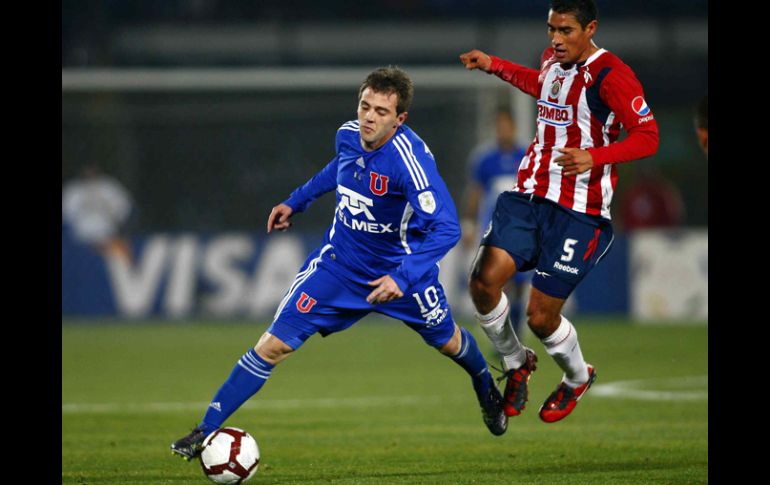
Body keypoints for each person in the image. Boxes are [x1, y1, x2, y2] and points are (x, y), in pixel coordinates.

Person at [171, 66, 509, 460]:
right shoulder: (348, 135)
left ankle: (483, 381)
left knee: (449, 342)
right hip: (338, 268)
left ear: (400, 119)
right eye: (365, 106)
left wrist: (402, 277)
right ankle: (206, 430)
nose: (369, 116)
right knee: (272, 345)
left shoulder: (409, 162)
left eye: (381, 111)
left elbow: (447, 229)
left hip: (398, 272)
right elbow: (339, 169)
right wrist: (296, 201)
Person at [458, 0, 659, 423]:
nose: (555, 39)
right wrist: (494, 64)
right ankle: (515, 363)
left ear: (590, 29)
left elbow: (648, 136)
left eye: (565, 30)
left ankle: (576, 376)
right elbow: (541, 84)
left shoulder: (612, 75)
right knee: (482, 282)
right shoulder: (553, 59)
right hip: (530, 193)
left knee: (540, 316)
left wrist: (596, 156)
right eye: (551, 29)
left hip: (580, 212)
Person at [461, 109, 529, 335]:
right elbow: (475, 193)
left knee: (519, 284)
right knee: (499, 283)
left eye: (506, 126)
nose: (503, 131)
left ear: (514, 128)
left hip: (522, 231)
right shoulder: (485, 160)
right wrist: (469, 224)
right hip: (495, 231)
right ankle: (504, 336)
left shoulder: (526, 156)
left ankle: (515, 333)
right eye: (499, 126)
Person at [61, 164, 133, 261]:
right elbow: (66, 214)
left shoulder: (109, 187)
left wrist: (118, 219)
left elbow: (125, 206)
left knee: (121, 252)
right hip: (80, 238)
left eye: (92, 169)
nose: (89, 172)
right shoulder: (73, 189)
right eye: (87, 169)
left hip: (107, 234)